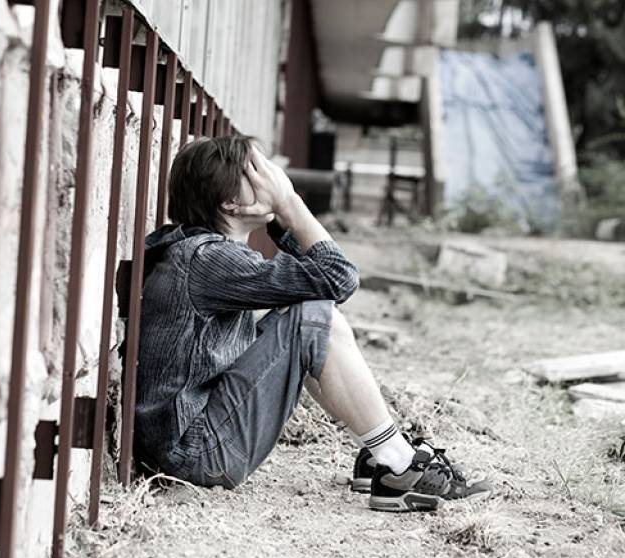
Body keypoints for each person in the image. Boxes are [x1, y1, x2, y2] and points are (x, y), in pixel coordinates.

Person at [134, 136, 491, 512]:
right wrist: (288, 204)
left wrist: (277, 221)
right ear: (230, 202)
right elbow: (339, 278)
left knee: (304, 316)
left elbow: (322, 280)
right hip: (194, 454)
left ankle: (384, 455)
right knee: (312, 319)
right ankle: (400, 464)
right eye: (256, 172)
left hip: (188, 441)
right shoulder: (208, 260)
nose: (273, 177)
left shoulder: (202, 250)